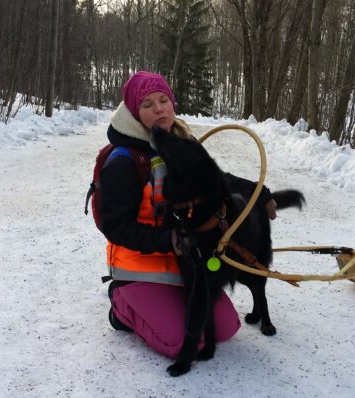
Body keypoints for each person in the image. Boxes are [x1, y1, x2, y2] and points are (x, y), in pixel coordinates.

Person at [99, 71, 276, 358]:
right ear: (134, 112)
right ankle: (121, 307)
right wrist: (168, 238)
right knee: (181, 343)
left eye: (163, 100)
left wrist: (259, 191)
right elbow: (114, 225)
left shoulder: (179, 140)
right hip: (140, 270)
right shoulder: (123, 160)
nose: (158, 109)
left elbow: (214, 178)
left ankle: (157, 305)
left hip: (186, 264)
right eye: (147, 104)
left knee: (225, 330)